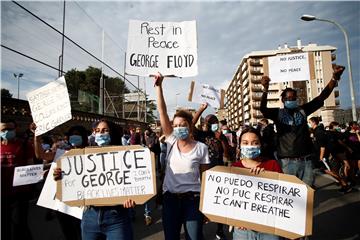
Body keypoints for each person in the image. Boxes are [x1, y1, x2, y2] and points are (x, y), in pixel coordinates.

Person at [260, 64, 345, 186]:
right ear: (283, 100)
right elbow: (263, 109)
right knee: (289, 197)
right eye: (289, 98)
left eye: (294, 98)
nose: (292, 100)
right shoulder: (277, 113)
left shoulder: (303, 110)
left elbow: (322, 97)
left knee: (307, 195)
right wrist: (265, 89)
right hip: (286, 162)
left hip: (307, 161)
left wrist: (334, 78)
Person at [53, 119, 135, 240]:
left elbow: (133, 182)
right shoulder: (86, 155)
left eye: (105, 130)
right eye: (97, 131)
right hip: (89, 216)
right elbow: (76, 178)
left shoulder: (125, 157)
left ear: (112, 133)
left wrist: (133, 197)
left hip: (116, 218)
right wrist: (61, 176)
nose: (100, 133)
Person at [154, 72, 210, 240]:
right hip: (170, 201)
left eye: (183, 125)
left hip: (193, 201)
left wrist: (207, 207)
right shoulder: (170, 141)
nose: (178, 128)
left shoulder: (201, 148)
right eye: (176, 125)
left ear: (190, 127)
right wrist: (159, 86)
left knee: (194, 237)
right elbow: (162, 111)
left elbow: (205, 178)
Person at [232, 127, 282, 240]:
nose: (250, 146)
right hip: (243, 229)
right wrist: (234, 219)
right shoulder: (234, 168)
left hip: (269, 228)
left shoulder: (272, 165)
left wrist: (266, 179)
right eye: (245, 143)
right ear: (239, 145)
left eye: (255, 143)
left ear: (261, 144)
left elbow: (284, 196)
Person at [192, 103, 230, 240]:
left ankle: (220, 230)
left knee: (219, 204)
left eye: (213, 121)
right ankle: (199, 231)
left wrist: (222, 141)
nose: (211, 124)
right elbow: (191, 125)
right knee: (202, 204)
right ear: (204, 123)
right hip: (204, 174)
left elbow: (228, 155)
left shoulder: (220, 135)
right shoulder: (201, 135)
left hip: (219, 173)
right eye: (208, 121)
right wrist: (201, 109)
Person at [1, 120, 34, 240]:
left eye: (9, 129)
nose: (6, 132)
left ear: (15, 130)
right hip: (2, 193)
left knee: (20, 224)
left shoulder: (24, 145)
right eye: (3, 130)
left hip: (20, 192)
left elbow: (30, 166)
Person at [308, 117, 351, 193]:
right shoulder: (316, 131)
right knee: (328, 171)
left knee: (330, 171)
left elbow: (322, 146)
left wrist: (321, 157)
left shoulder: (319, 132)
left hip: (323, 156)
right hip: (318, 155)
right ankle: (343, 184)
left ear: (314, 122)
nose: (309, 124)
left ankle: (345, 184)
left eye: (310, 122)